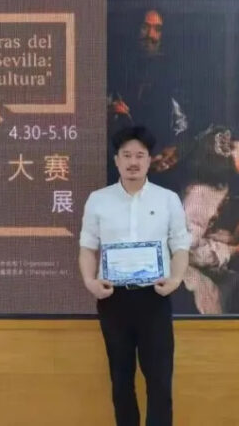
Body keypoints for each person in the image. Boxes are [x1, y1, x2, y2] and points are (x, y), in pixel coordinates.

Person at [79, 125, 190, 426]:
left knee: (160, 381)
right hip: (113, 299)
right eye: (126, 155)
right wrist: (90, 282)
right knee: (121, 380)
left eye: (139, 155)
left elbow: (180, 247)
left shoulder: (167, 199)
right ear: (116, 160)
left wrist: (175, 280)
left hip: (154, 297)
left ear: (149, 160)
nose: (133, 162)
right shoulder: (98, 200)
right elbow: (87, 248)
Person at [107, 8, 197, 191]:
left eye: (157, 29)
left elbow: (185, 122)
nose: (151, 35)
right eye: (145, 27)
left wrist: (175, 150)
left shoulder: (173, 71)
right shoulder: (116, 67)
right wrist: (109, 112)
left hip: (162, 172)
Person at [178, 125, 239, 314]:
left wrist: (232, 238)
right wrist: (233, 251)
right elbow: (187, 249)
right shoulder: (200, 194)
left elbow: (201, 235)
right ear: (225, 156)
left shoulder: (217, 188)